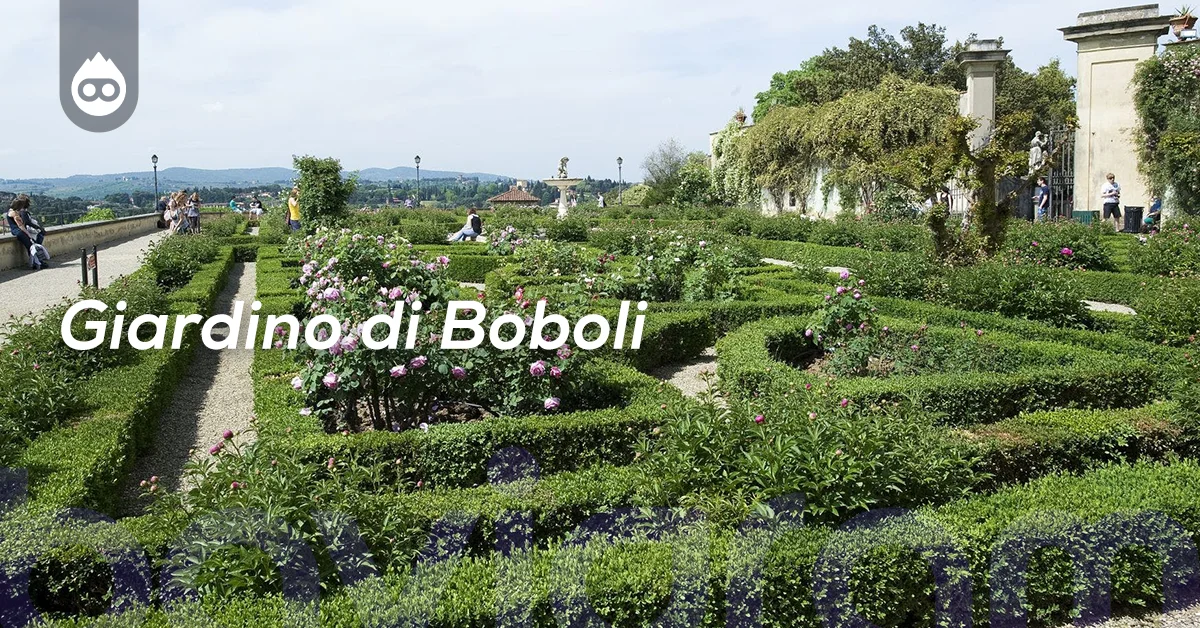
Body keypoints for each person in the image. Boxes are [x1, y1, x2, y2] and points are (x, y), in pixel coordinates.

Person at [7, 196, 42, 270]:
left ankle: (35, 263)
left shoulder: (11, 211)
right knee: (31, 247)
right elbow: (20, 226)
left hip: (16, 231)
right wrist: (28, 234)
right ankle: (36, 263)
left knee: (30, 247)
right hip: (19, 231)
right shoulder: (14, 213)